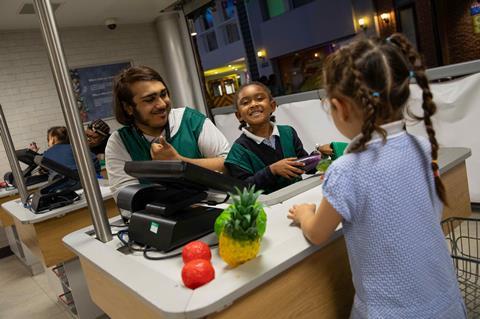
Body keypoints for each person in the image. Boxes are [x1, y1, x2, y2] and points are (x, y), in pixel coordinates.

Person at [287, 34, 466, 318]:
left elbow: (318, 233)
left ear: (341, 107)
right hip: (445, 301)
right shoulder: (420, 147)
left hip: (391, 312)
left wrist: (304, 214)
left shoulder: (346, 170)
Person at [105, 66, 230, 197]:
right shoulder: (119, 142)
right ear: (128, 108)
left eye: (163, 94)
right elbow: (125, 195)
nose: (162, 104)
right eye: (149, 99)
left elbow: (229, 163)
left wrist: (179, 161)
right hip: (157, 215)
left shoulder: (191, 121)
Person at [225, 81, 332, 194]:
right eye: (246, 102)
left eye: (259, 98)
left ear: (272, 106)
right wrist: (272, 171)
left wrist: (320, 155)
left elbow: (304, 166)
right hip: (268, 207)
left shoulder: (288, 133)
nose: (253, 104)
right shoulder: (238, 152)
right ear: (239, 116)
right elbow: (243, 189)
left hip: (298, 198)